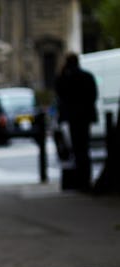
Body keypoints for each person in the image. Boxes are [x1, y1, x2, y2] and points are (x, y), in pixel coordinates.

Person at [55, 52, 98, 190]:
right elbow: (93, 96)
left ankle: (81, 180)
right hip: (84, 117)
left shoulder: (66, 78)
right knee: (84, 148)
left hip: (73, 117)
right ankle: (85, 179)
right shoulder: (87, 76)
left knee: (77, 148)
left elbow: (59, 92)